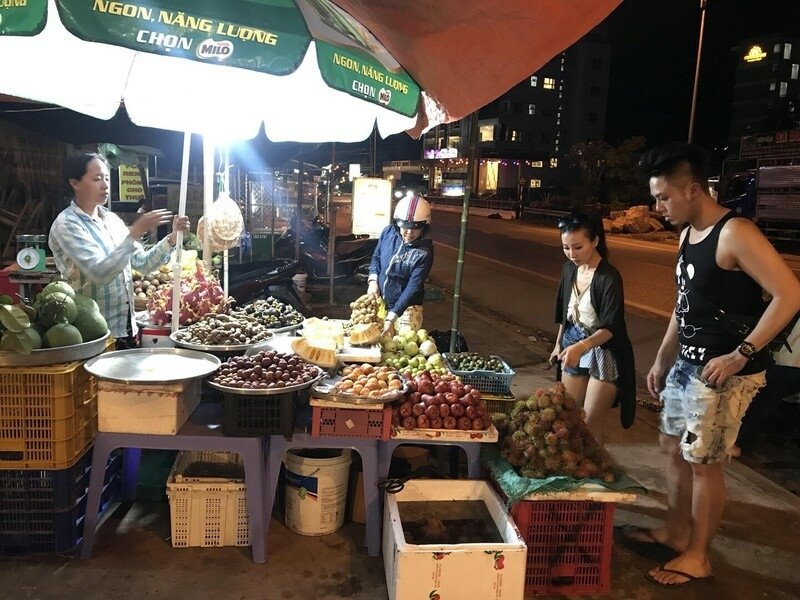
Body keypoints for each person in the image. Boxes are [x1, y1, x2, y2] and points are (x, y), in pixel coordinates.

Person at [634, 143, 800, 587]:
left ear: (692, 190)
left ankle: (698, 556)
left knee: (705, 463)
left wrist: (740, 354)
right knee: (673, 449)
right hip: (686, 367)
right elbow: (684, 303)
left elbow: (790, 294)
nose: (658, 207)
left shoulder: (735, 232)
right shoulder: (688, 233)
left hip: (722, 374)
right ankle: (675, 531)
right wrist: (663, 357)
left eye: (663, 197)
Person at [48, 153, 190, 349]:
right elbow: (99, 272)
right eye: (97, 179)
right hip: (93, 336)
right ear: (75, 183)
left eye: (106, 178)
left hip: (125, 329)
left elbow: (142, 263)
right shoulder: (66, 224)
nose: (105, 185)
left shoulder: (111, 220)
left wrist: (172, 238)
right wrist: (136, 232)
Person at [550, 211, 636, 444]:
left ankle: (597, 473)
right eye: (566, 248)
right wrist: (559, 343)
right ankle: (575, 471)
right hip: (573, 341)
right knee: (567, 416)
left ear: (595, 240)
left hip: (603, 350)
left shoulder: (608, 277)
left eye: (578, 247)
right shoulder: (569, 269)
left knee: (589, 425)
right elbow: (563, 314)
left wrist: (582, 347)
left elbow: (612, 328)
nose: (571, 254)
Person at [367, 194, 434, 335]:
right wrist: (373, 281)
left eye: (415, 229)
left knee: (400, 348)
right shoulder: (388, 233)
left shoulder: (424, 252)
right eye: (405, 227)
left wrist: (392, 317)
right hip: (382, 303)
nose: (409, 233)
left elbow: (413, 287)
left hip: (408, 309)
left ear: (424, 226)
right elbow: (376, 257)